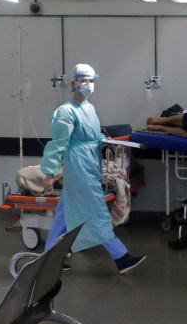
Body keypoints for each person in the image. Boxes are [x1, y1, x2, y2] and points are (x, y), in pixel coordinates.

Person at [40, 64, 145, 274]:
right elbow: (58, 143)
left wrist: (102, 140)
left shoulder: (89, 108)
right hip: (78, 165)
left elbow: (93, 135)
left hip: (91, 161)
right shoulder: (65, 112)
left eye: (91, 80)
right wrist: (50, 172)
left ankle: (49, 258)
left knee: (64, 212)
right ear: (73, 83)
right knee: (95, 211)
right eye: (83, 80)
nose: (88, 84)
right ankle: (121, 256)